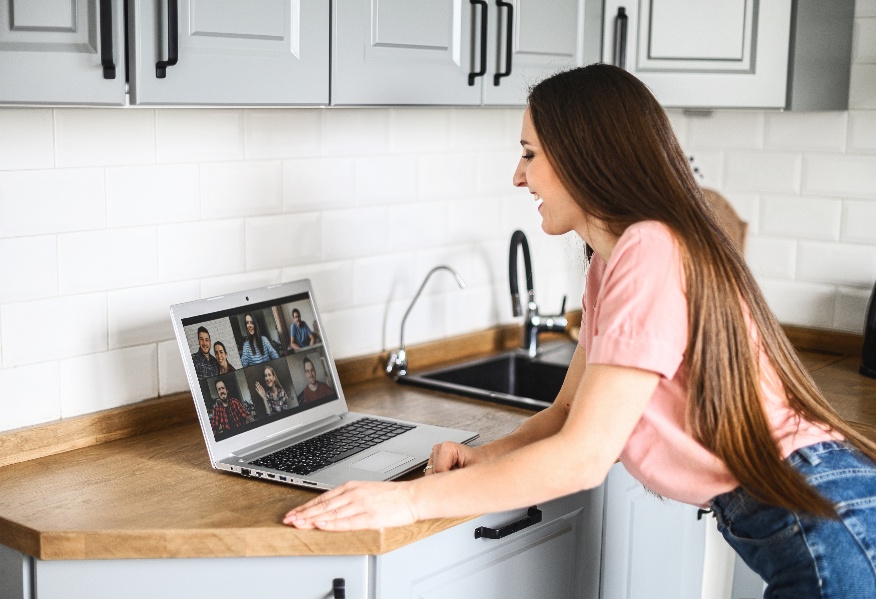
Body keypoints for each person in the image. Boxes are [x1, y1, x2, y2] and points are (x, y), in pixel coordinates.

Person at [284, 64, 876, 596]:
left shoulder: (649, 250)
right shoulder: (612, 261)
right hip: (808, 511)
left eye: (529, 154)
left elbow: (582, 458)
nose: (519, 177)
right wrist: (484, 458)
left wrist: (404, 501)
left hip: (820, 516)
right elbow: (568, 416)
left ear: (582, 156)